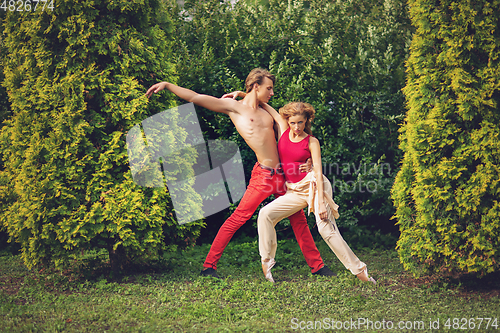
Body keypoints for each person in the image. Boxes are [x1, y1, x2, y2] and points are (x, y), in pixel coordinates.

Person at [145, 68, 335, 278]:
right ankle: (209, 267)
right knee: (238, 218)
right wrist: (168, 86)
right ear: (256, 86)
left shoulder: (266, 111)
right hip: (263, 176)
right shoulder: (233, 108)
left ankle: (318, 267)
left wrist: (307, 161)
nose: (272, 92)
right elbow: (195, 97)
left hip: (283, 175)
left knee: (298, 220)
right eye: (269, 88)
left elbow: (292, 135)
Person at [256, 101, 376, 284]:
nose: (296, 127)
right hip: (294, 190)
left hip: (314, 185)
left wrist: (320, 202)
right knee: (265, 214)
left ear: (307, 121)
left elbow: (318, 172)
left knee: (325, 229)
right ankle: (267, 261)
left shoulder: (312, 141)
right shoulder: (283, 129)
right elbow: (266, 106)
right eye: (293, 123)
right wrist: (243, 94)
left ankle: (360, 270)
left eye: (301, 123)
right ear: (287, 120)